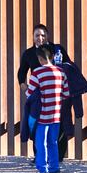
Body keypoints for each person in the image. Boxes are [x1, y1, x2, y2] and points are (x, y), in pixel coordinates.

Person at [17, 23, 72, 159]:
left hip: (57, 96)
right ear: (33, 37)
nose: (40, 38)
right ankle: (39, 157)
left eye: (43, 35)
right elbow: (21, 74)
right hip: (38, 97)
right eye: (37, 35)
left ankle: (58, 158)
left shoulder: (57, 50)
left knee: (59, 126)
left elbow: (69, 66)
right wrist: (26, 90)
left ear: (47, 36)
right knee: (37, 127)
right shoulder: (29, 54)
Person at [26, 46, 69, 173]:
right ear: (51, 57)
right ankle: (55, 171)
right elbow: (66, 94)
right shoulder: (61, 72)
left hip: (42, 116)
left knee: (41, 143)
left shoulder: (37, 73)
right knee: (53, 142)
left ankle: (43, 172)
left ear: (40, 58)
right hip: (56, 115)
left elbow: (29, 94)